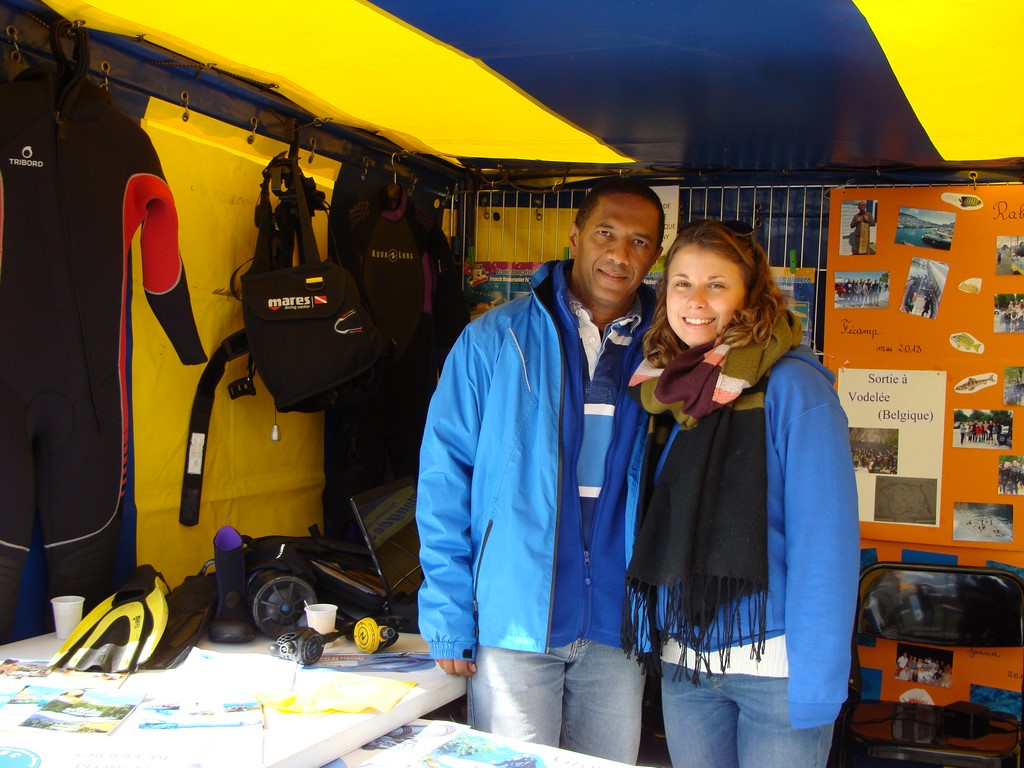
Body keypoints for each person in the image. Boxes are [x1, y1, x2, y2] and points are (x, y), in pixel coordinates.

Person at [416, 177, 665, 763]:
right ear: (575, 236)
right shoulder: (491, 340)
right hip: (514, 622)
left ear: (655, 255)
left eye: (639, 241)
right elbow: (443, 480)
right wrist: (448, 610)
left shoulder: (671, 354)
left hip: (617, 627)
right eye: (606, 233)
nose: (620, 254)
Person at [621, 219, 859, 768]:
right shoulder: (664, 391)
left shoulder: (796, 386)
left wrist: (819, 681)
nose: (695, 300)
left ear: (751, 295)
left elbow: (826, 541)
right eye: (681, 283)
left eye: (717, 284)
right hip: (687, 662)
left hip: (776, 666)